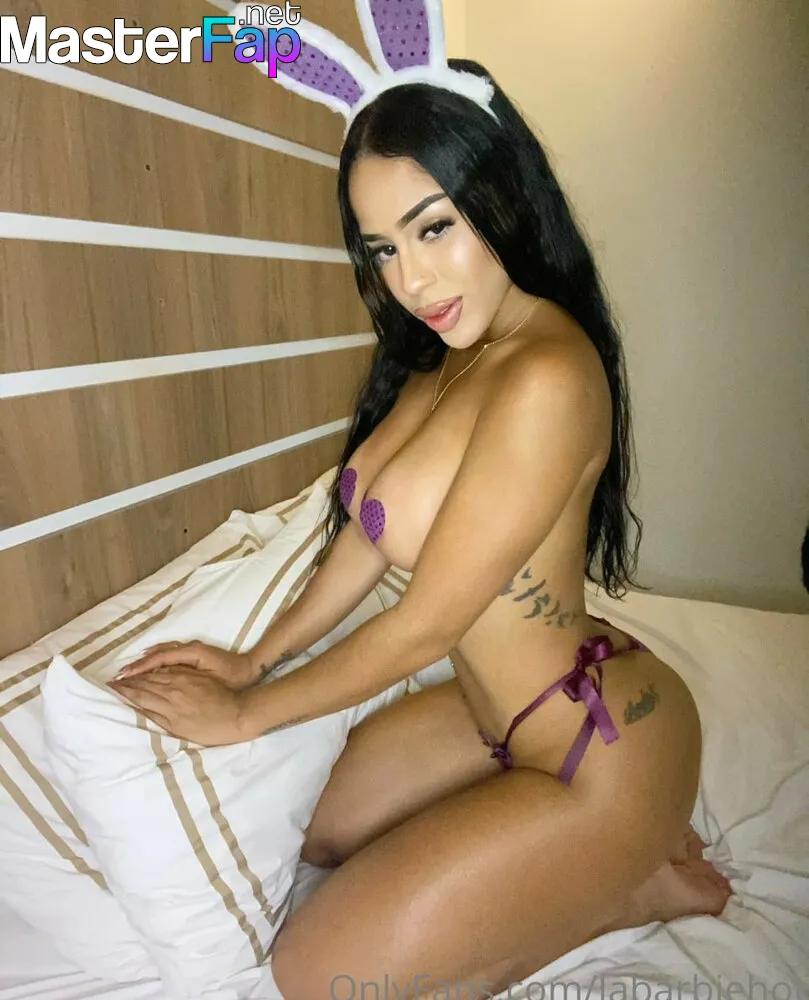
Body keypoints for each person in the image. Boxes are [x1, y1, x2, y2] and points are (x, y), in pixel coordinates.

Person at [111, 7, 732, 997]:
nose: (411, 280)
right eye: (381, 250)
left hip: (599, 747)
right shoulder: (444, 359)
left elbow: (426, 621)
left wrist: (245, 714)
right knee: (322, 832)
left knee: (316, 972)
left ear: (500, 194)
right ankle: (596, 865)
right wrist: (252, 657)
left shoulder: (547, 375)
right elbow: (365, 540)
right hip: (498, 717)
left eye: (433, 227)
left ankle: (624, 883)